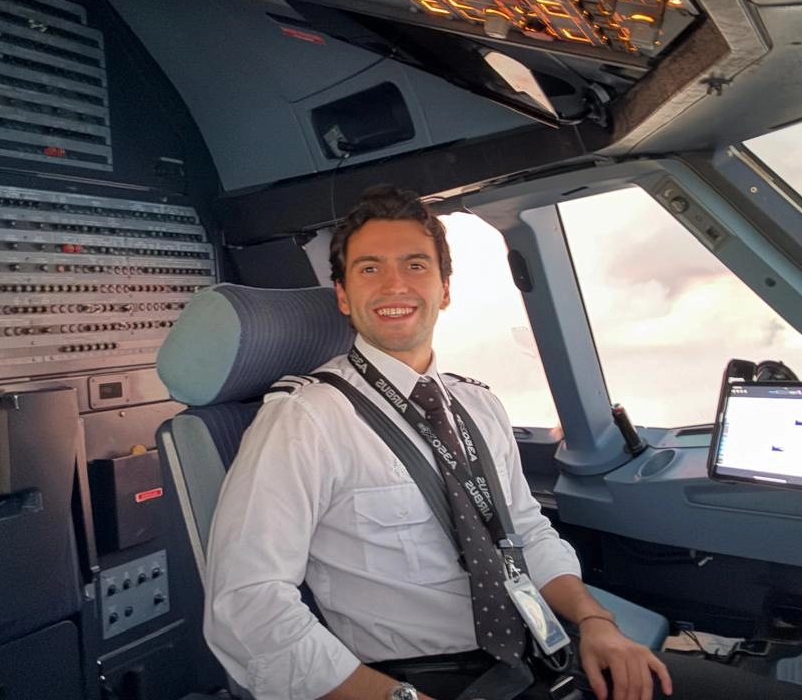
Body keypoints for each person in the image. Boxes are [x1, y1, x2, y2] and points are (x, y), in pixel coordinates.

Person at [204, 185, 673, 700]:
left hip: (540, 648)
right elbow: (246, 603)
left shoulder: (479, 405)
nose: (394, 285)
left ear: (444, 289)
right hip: (416, 679)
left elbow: (526, 531)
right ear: (343, 295)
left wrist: (595, 621)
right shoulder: (306, 420)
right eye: (369, 269)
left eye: (415, 265)